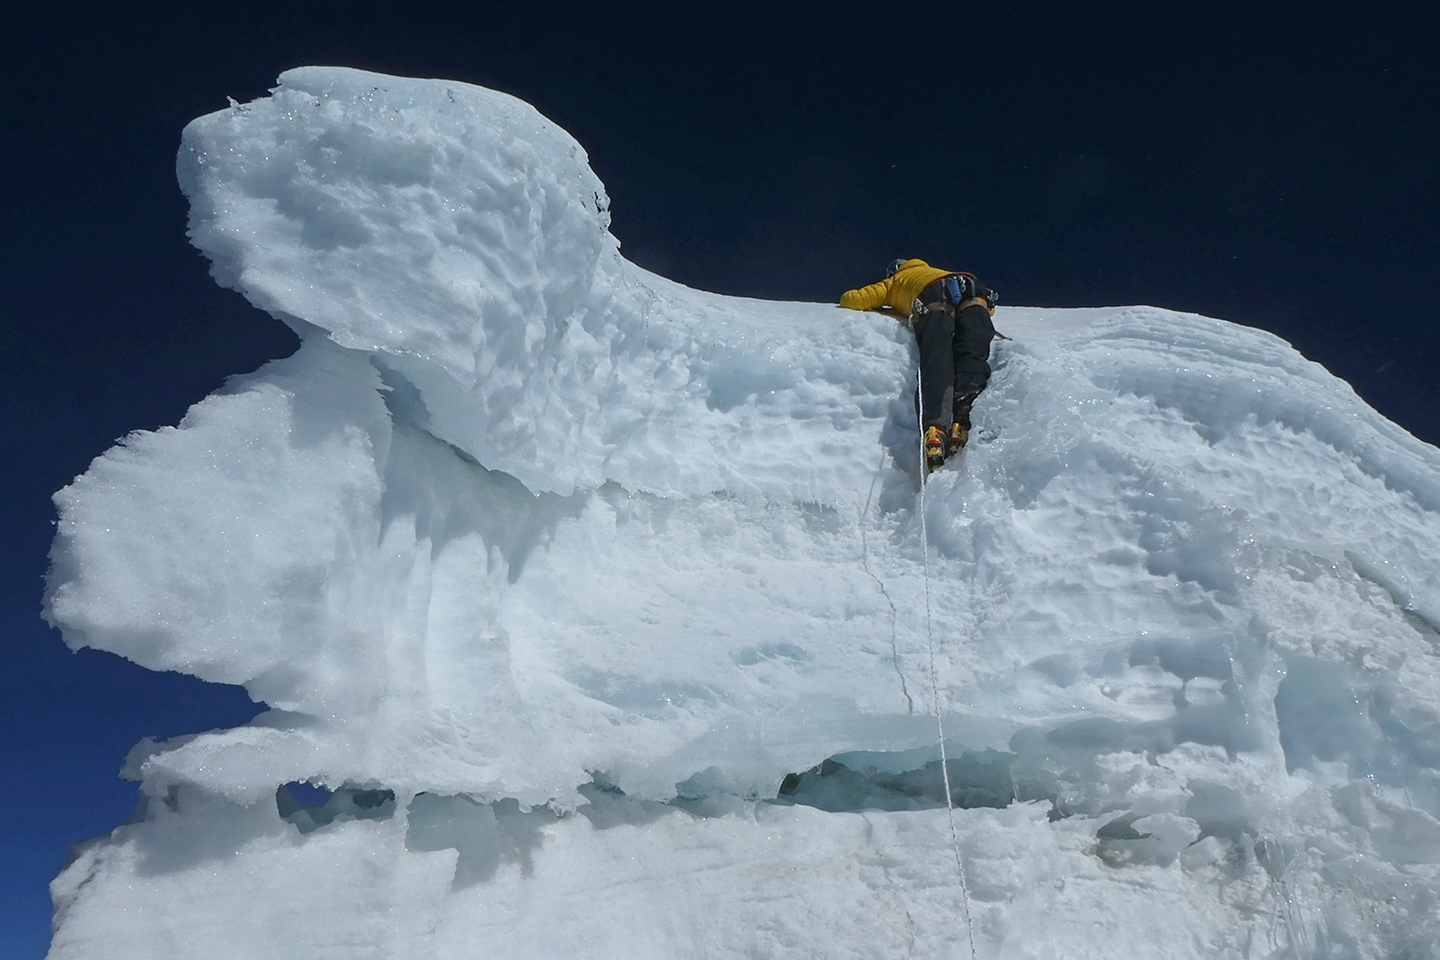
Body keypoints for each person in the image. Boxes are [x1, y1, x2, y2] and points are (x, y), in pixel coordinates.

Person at [840, 259, 997, 472]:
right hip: (971, 287)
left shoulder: (894, 282)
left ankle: (937, 427)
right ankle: (964, 417)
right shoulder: (936, 270)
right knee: (971, 352)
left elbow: (853, 300)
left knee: (937, 355)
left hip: (933, 296)